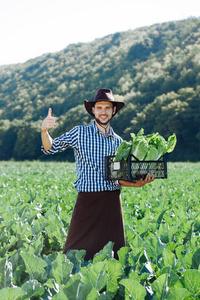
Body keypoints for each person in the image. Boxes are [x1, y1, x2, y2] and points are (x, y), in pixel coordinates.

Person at [41, 88, 155, 260]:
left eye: (107, 108)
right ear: (93, 110)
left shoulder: (118, 142)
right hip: (87, 201)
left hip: (111, 202)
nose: (103, 111)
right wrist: (45, 131)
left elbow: (117, 176)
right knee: (74, 252)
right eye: (99, 107)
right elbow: (51, 148)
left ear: (113, 111)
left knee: (113, 256)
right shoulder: (79, 133)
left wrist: (136, 184)